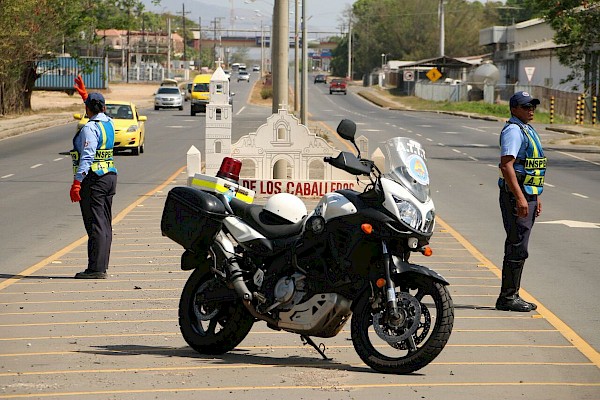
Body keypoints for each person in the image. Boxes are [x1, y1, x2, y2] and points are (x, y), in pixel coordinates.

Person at [496, 91, 547, 312]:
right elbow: (507, 166)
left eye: (532, 106)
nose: (531, 110)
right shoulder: (514, 131)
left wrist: (535, 196)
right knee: (517, 245)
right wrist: (520, 198)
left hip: (527, 193)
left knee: (520, 245)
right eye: (526, 107)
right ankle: (508, 297)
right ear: (514, 109)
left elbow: (531, 167)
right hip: (516, 195)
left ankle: (512, 294)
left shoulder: (526, 129)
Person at [69, 76, 118, 279]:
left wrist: (77, 183)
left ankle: (96, 269)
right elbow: (96, 110)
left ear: (88, 109)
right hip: (109, 176)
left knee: (95, 224)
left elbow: (87, 156)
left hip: (94, 179)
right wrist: (85, 95)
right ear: (104, 108)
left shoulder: (89, 128)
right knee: (104, 223)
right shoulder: (108, 123)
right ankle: (101, 266)